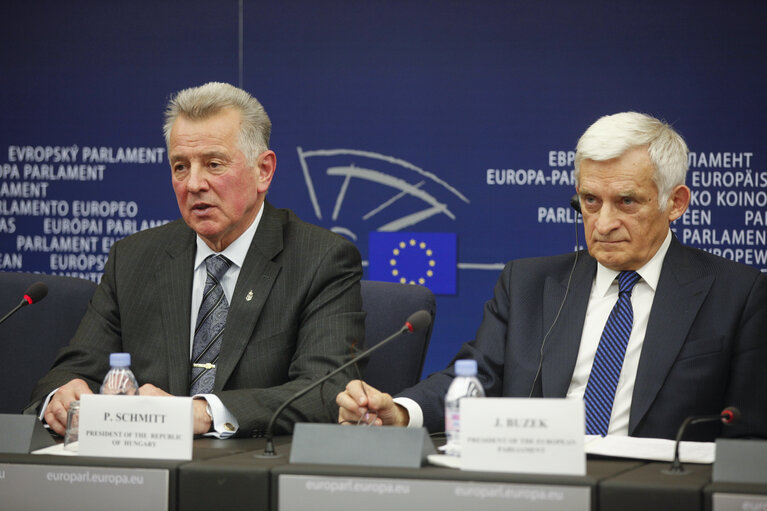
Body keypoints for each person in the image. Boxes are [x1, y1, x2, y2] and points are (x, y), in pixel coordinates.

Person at [337, 112, 767, 441]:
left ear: (675, 203)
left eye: (627, 202)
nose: (603, 223)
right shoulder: (527, 283)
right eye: (590, 201)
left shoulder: (738, 295)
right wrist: (400, 411)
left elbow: (748, 438)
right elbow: (476, 379)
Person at [26, 82, 365, 438]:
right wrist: (60, 397)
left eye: (214, 164)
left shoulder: (321, 259)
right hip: (142, 469)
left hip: (249, 471)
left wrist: (202, 413)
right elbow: (73, 369)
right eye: (180, 167)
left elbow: (328, 391)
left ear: (263, 171)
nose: (193, 184)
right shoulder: (134, 258)